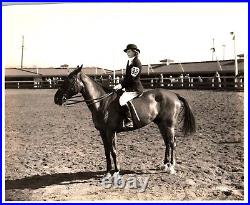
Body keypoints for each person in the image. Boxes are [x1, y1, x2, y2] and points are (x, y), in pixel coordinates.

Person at [113, 44, 143, 128]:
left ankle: (129, 120)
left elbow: (132, 78)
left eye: (129, 51)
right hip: (129, 86)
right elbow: (127, 77)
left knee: (122, 100)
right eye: (127, 51)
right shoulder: (129, 61)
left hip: (135, 88)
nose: (127, 53)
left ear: (134, 52)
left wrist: (122, 85)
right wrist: (120, 85)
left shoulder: (136, 62)